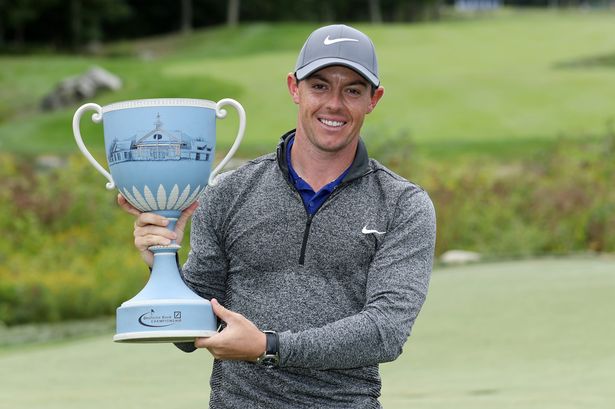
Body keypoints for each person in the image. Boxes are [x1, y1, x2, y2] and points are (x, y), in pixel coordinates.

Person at [119, 24, 436, 409]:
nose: (334, 104)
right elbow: (190, 334)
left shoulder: (403, 204)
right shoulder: (227, 193)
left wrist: (269, 347)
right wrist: (161, 263)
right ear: (293, 87)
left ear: (374, 99)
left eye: (352, 90)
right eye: (319, 86)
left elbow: (384, 331)